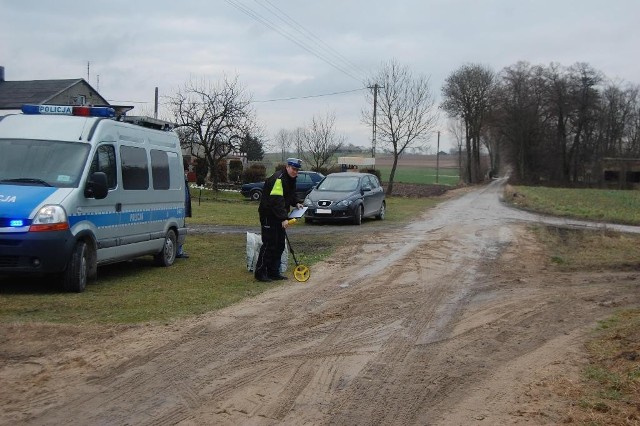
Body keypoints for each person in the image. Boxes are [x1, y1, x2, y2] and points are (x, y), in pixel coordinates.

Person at [254, 158, 304, 282]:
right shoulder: (278, 179)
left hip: (279, 215)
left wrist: (297, 202)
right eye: (293, 169)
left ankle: (274, 272)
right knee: (269, 244)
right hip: (269, 215)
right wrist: (283, 218)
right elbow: (276, 200)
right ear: (287, 167)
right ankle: (260, 272)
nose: (295, 172)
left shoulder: (290, 179)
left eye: (297, 170)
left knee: (280, 244)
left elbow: (290, 194)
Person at [176, 173, 192, 259]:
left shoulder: (182, 178)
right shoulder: (180, 177)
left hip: (181, 209)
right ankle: (178, 251)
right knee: (179, 229)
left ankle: (179, 250)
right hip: (179, 210)